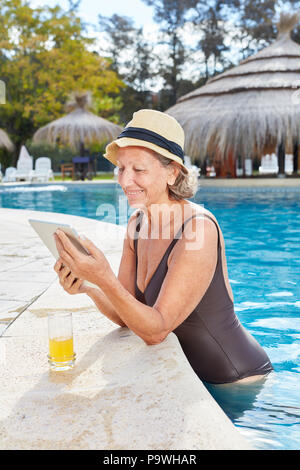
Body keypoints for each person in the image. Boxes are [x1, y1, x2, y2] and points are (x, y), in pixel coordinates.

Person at [53, 109, 273, 385]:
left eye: (139, 169)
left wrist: (104, 277)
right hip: (197, 380)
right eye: (121, 168)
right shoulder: (137, 223)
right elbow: (127, 315)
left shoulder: (197, 230)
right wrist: (88, 286)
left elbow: (156, 331)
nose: (124, 180)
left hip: (239, 381)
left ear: (172, 172)